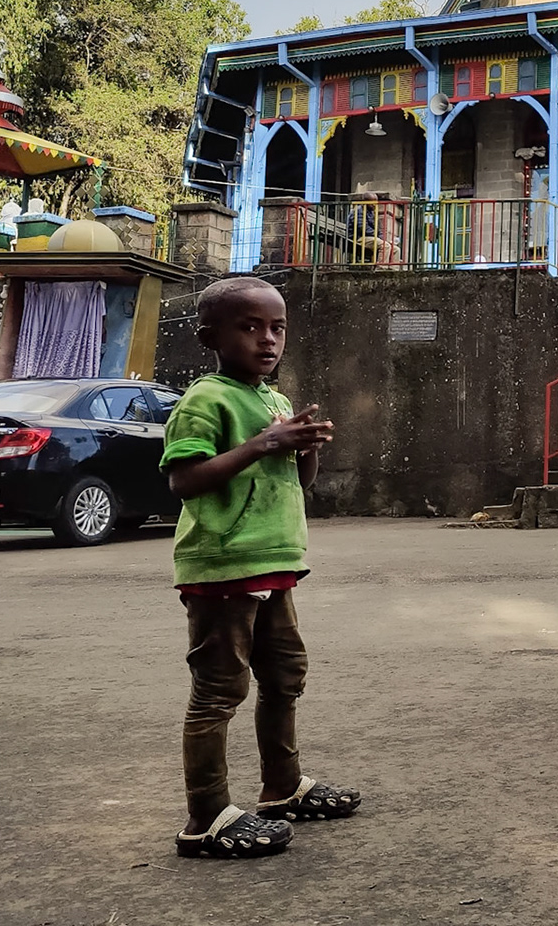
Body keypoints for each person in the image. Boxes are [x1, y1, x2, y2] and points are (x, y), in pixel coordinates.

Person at [163, 276, 361, 860]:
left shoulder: (274, 401)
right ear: (211, 337)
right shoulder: (206, 400)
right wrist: (264, 444)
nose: (267, 340)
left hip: (274, 563)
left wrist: (305, 449)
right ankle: (206, 817)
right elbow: (184, 480)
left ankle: (282, 786)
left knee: (284, 677)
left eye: (277, 328)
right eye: (249, 327)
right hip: (223, 566)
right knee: (219, 690)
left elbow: (299, 483)